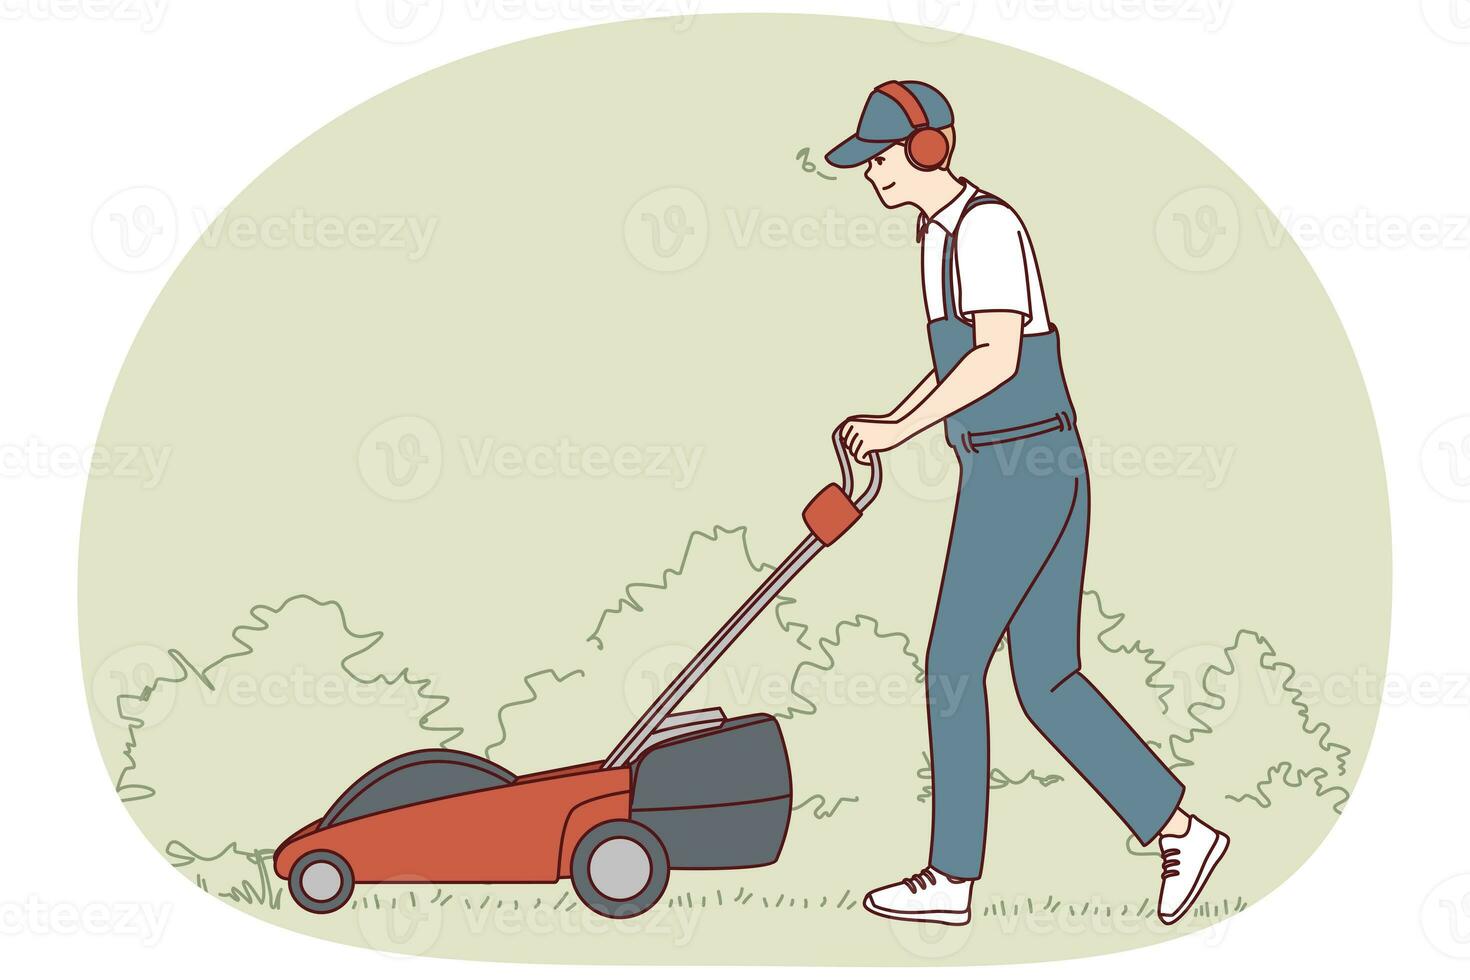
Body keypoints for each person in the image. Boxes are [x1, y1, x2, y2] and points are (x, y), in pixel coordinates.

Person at [824, 80, 1230, 928]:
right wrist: (891, 422)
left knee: (950, 668)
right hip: (1009, 465)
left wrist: (900, 431)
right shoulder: (935, 241)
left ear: (926, 150)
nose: (873, 176)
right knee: (1046, 679)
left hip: (1024, 466)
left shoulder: (987, 229)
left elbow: (998, 359)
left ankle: (950, 878)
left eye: (882, 159)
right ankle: (1179, 829)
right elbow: (957, 365)